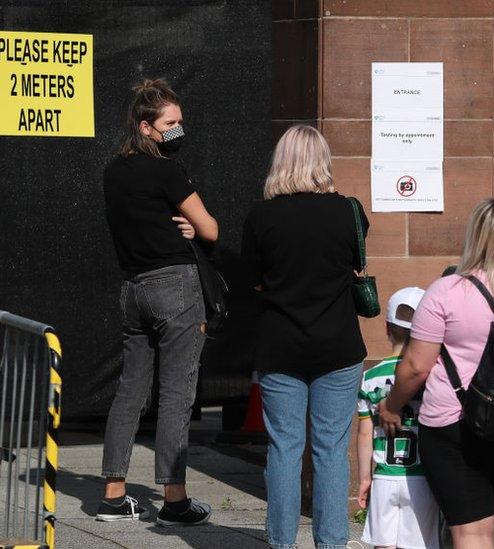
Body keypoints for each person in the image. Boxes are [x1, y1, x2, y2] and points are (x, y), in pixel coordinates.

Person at [378, 198, 494, 549]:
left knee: (472, 530)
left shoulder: (446, 291)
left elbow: (416, 366)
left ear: (474, 237)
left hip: (455, 422)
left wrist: (392, 406)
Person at [98, 78, 219, 526]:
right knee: (176, 395)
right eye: (170, 123)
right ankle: (174, 500)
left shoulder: (114, 170)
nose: (178, 129)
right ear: (146, 127)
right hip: (175, 288)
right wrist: (189, 230)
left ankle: (113, 495)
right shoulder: (168, 170)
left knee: (130, 390)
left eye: (180, 122)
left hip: (133, 289)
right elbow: (209, 229)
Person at [241, 124, 369, 549]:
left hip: (281, 345)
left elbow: (252, 280)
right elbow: (352, 265)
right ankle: (331, 543)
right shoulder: (348, 211)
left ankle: (281, 542)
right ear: (323, 161)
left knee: (284, 448)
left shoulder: (261, 217)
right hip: (338, 345)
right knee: (331, 449)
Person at [357, 287, 440, 549]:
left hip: (383, 476)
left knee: (383, 545)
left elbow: (363, 434)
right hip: (420, 477)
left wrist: (365, 478)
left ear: (386, 328)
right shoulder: (431, 376)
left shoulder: (370, 378)